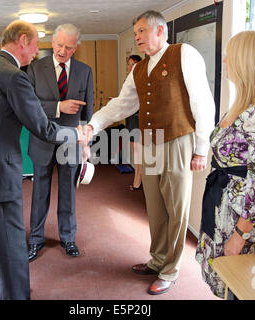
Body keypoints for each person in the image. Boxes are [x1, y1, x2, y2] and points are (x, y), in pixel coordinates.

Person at [85, 10, 215, 295]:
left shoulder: (184, 54)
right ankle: (157, 259)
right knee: (155, 206)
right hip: (150, 142)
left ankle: (170, 269)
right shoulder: (140, 69)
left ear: (160, 31)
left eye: (142, 31)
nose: (137, 38)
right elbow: (122, 104)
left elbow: (203, 101)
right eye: (135, 34)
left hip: (180, 140)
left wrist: (201, 148)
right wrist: (93, 124)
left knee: (176, 208)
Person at [0, 20, 87, 300]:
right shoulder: (13, 75)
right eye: (35, 45)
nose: (35, 52)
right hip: (0, 172)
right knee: (13, 241)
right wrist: (76, 135)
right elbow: (42, 126)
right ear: (23, 40)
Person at [195, 30, 255, 299]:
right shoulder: (243, 104)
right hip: (224, 206)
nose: (225, 61)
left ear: (248, 63)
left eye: (231, 56)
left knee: (239, 288)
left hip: (241, 221)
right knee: (227, 285)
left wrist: (239, 235)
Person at [26, 24, 94, 260]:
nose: (62, 51)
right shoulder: (34, 68)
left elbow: (88, 114)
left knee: (68, 193)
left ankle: (68, 238)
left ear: (76, 48)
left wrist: (86, 144)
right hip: (42, 140)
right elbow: (29, 106)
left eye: (68, 47)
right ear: (52, 42)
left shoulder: (85, 71)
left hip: (72, 142)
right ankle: (35, 239)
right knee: (39, 193)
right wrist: (58, 107)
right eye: (58, 45)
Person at [124, 54, 143, 191]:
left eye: (134, 64)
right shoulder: (129, 80)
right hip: (130, 118)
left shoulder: (141, 79)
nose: (130, 67)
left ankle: (138, 181)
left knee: (138, 153)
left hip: (138, 119)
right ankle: (137, 179)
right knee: (135, 152)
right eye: (129, 64)